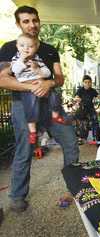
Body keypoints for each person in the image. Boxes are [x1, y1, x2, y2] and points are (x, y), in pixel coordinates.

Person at [0, 5, 79, 212]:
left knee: (70, 141)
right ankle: (17, 196)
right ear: (18, 24)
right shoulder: (10, 48)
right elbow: (2, 79)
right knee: (24, 150)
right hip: (23, 106)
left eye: (34, 20)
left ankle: (75, 189)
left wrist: (48, 83)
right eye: (25, 21)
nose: (31, 24)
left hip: (51, 103)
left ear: (39, 21)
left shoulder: (50, 49)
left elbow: (59, 78)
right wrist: (33, 87)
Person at [11, 33, 66, 144]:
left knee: (55, 96)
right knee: (31, 107)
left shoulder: (37, 59)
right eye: (22, 45)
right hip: (28, 88)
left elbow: (47, 73)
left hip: (42, 84)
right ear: (17, 46)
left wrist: (37, 70)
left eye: (30, 46)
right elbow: (15, 70)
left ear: (35, 48)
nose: (26, 48)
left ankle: (55, 115)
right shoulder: (17, 58)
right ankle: (33, 130)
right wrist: (22, 60)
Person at [74, 75, 100, 141]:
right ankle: (80, 137)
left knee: (95, 121)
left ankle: (97, 137)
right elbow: (76, 97)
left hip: (91, 109)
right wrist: (77, 99)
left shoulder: (93, 90)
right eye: (85, 82)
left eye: (89, 82)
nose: (87, 84)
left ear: (91, 83)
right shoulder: (80, 90)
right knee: (81, 122)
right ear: (83, 83)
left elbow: (98, 96)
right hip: (82, 109)